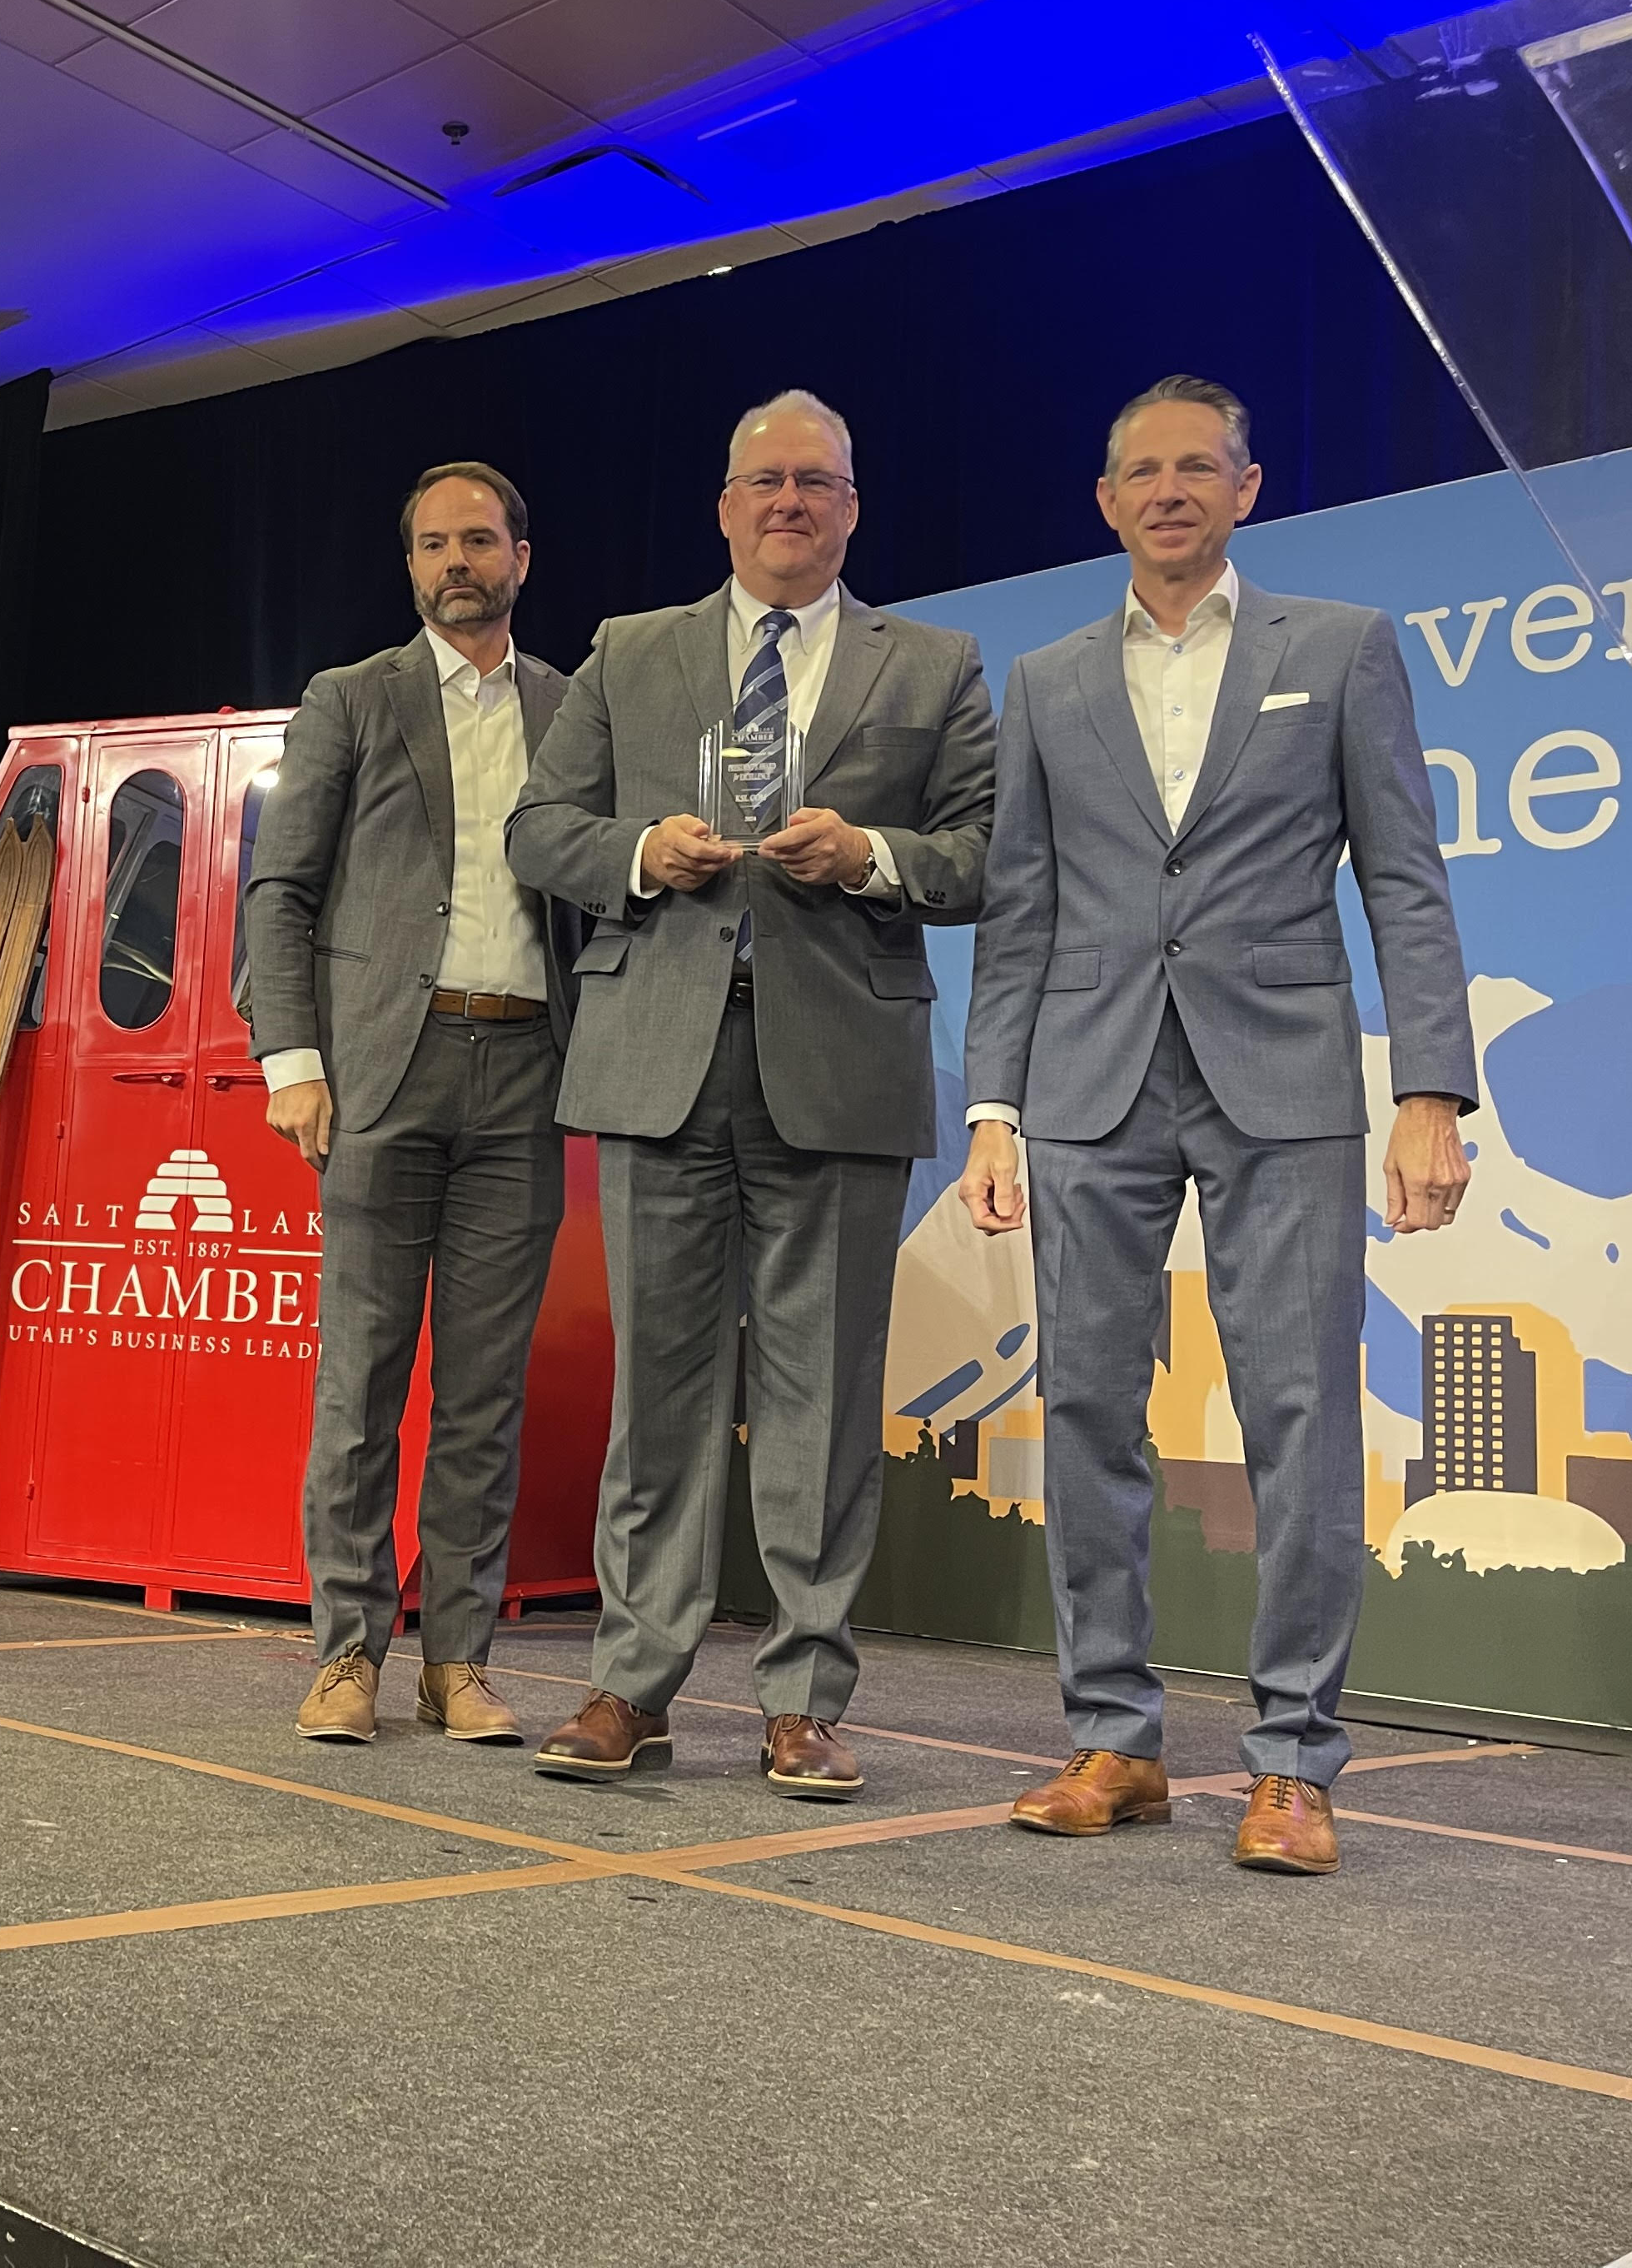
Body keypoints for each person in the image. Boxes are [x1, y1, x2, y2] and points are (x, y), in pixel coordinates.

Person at [958, 374, 1475, 1877]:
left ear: (1246, 488)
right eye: (1142, 469)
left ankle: (1295, 1760)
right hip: (1089, 1079)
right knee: (1086, 1411)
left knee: (1301, 1411)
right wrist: (992, 1103)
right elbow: (1018, 912)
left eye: (1200, 465)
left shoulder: (1341, 649)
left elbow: (1403, 878)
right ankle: (1112, 1737)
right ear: (1106, 500)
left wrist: (1428, 1086)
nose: (1171, 488)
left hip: (1283, 1073)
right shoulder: (1047, 679)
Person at [507, 391, 994, 1797]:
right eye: (765, 481)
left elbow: (981, 854)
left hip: (838, 1065)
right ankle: (631, 1682)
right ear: (724, 504)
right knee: (654, 1394)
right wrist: (641, 852)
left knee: (824, 1401)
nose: (790, 502)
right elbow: (541, 829)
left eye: (818, 482)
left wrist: (872, 853)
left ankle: (802, 1695)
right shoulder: (630, 650)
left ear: (853, 505)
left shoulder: (938, 663)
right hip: (662, 1056)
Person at [246, 461, 574, 1749]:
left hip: (528, 1070)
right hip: (386, 1070)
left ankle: (462, 1663)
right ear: (412, 566)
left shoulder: (570, 705)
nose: (457, 562)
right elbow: (281, 891)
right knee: (362, 1384)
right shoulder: (353, 698)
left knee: (486, 1393)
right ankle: (345, 1656)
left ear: (521, 558)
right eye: (435, 544)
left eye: (479, 540)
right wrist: (294, 1062)